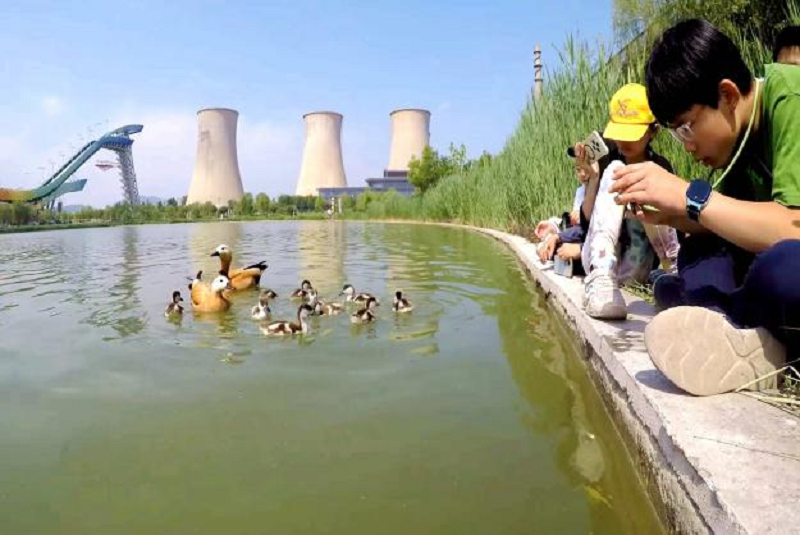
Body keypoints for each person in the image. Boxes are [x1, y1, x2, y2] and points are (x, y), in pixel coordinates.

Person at [611, 19, 800, 396]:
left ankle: (730, 321)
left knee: (781, 270)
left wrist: (690, 197)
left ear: (728, 95)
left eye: (686, 129)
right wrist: (673, 215)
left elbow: (794, 228)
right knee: (698, 251)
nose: (688, 147)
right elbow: (731, 222)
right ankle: (741, 329)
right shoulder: (737, 139)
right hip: (767, 258)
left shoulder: (790, 98)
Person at [576, 83, 679, 319]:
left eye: (631, 133)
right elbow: (587, 222)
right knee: (616, 169)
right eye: (619, 132)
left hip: (640, 263)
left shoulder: (660, 167)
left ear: (653, 131)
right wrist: (592, 179)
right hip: (601, 258)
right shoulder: (608, 161)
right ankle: (601, 278)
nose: (623, 141)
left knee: (653, 180)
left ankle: (673, 269)